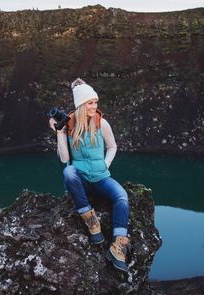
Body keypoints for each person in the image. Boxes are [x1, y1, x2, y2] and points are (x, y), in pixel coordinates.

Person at [49, 78, 130, 272]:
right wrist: (59, 134)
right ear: (81, 105)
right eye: (90, 103)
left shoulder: (102, 124)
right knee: (69, 172)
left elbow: (113, 147)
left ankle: (118, 245)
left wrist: (106, 163)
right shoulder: (69, 126)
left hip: (102, 177)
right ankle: (91, 220)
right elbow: (64, 159)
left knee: (122, 197)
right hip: (82, 179)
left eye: (96, 102)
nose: (94, 106)